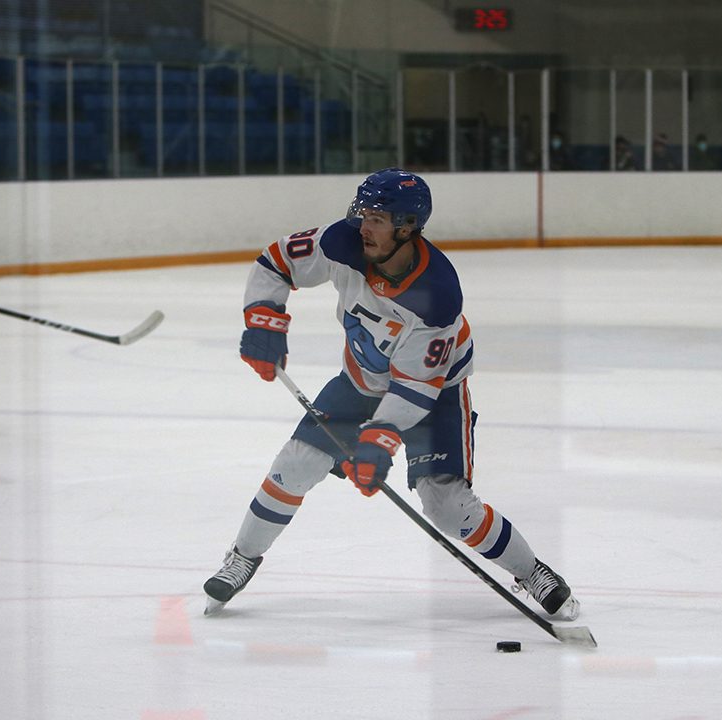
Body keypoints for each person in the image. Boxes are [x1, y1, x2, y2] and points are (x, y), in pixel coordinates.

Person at [204, 167, 581, 623]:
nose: (364, 225)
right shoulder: (341, 243)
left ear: (407, 227)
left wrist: (379, 439)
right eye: (362, 212)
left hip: (434, 394)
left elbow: (416, 387)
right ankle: (243, 556)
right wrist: (264, 318)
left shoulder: (436, 294)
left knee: (447, 507)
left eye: (378, 218)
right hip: (360, 381)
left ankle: (531, 571)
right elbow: (276, 262)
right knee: (295, 465)